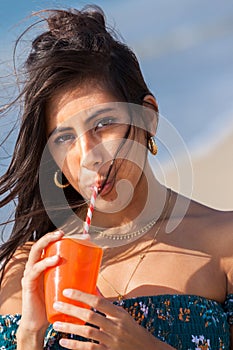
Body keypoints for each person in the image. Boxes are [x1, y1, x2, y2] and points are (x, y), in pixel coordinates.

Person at [0, 5, 232, 350]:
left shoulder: (224, 242)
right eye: (64, 138)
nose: (89, 155)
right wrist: (30, 336)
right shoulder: (29, 269)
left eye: (103, 123)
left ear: (148, 118)